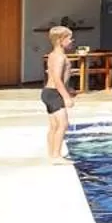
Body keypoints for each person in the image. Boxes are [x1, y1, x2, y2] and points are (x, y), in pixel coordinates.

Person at [41, 26, 75, 161]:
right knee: (63, 124)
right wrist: (66, 97)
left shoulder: (52, 55)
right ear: (61, 40)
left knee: (54, 125)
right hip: (54, 93)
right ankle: (56, 156)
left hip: (48, 92)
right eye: (69, 38)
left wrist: (68, 90)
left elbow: (52, 75)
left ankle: (51, 154)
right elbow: (56, 78)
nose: (72, 40)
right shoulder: (60, 57)